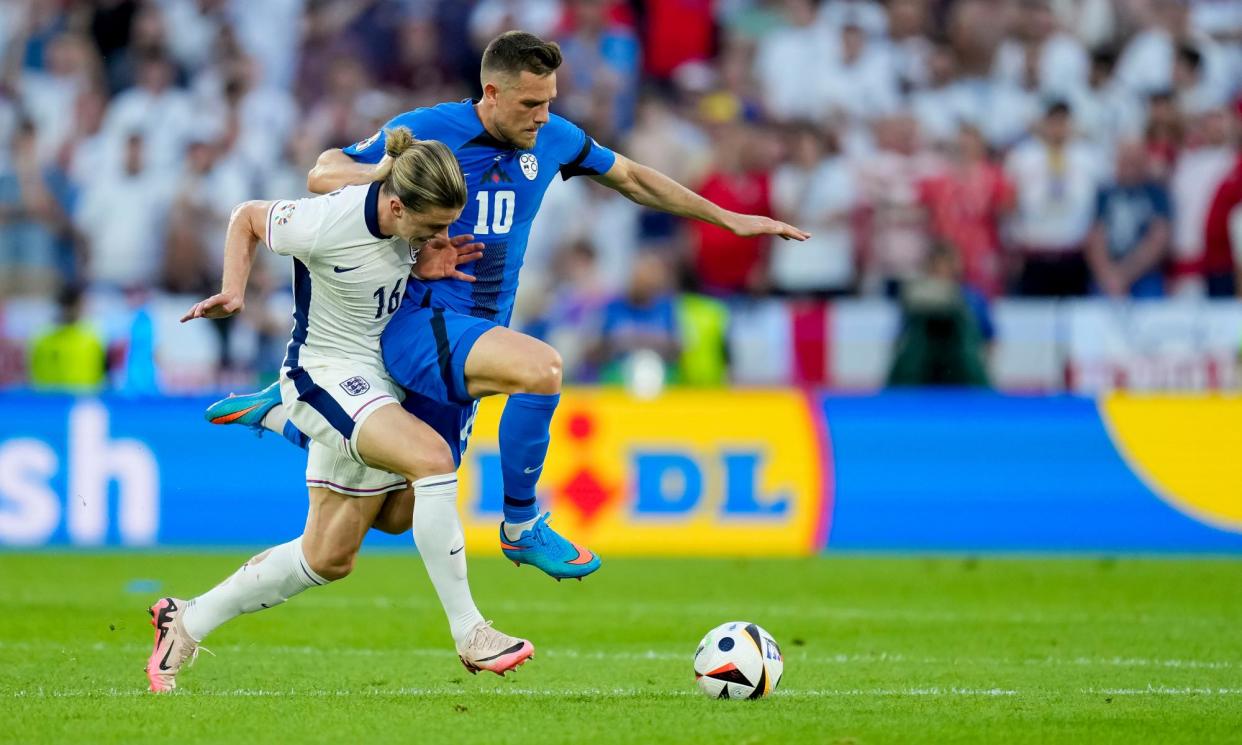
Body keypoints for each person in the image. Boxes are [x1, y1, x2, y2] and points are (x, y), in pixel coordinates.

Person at [206, 31, 808, 580]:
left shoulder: (555, 138)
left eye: (549, 101)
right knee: (541, 370)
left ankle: (288, 406)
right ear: (491, 93)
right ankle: (520, 527)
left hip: (477, 331)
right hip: (422, 322)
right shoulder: (431, 128)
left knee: (395, 514)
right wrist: (388, 171)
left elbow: (632, 178)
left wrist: (726, 217)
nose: (543, 116)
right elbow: (322, 172)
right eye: (529, 104)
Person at [145, 129, 533, 692]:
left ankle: (186, 619)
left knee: (336, 553)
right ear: (396, 205)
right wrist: (235, 291)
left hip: (379, 381)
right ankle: (471, 631)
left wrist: (420, 264)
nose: (441, 237)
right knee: (431, 459)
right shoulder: (331, 219)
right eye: (431, 228)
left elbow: (391, 263)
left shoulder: (405, 222)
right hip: (325, 375)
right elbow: (249, 217)